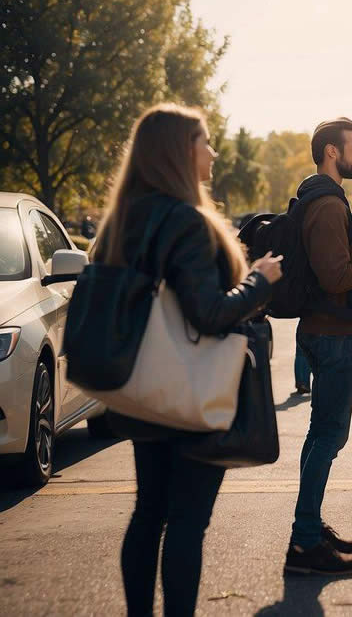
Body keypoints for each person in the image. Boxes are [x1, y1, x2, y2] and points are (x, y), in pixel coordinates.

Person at [89, 103, 283, 616]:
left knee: (148, 512)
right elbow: (211, 314)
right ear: (181, 151)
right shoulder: (187, 222)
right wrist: (259, 279)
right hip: (195, 393)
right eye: (205, 141)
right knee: (188, 521)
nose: (214, 152)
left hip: (143, 390)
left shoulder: (122, 221)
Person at [285, 117, 352, 576]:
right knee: (329, 436)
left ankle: (311, 528)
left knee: (321, 434)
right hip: (333, 336)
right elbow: (335, 275)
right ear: (332, 153)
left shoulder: (328, 201)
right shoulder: (326, 207)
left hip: (330, 333)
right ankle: (303, 542)